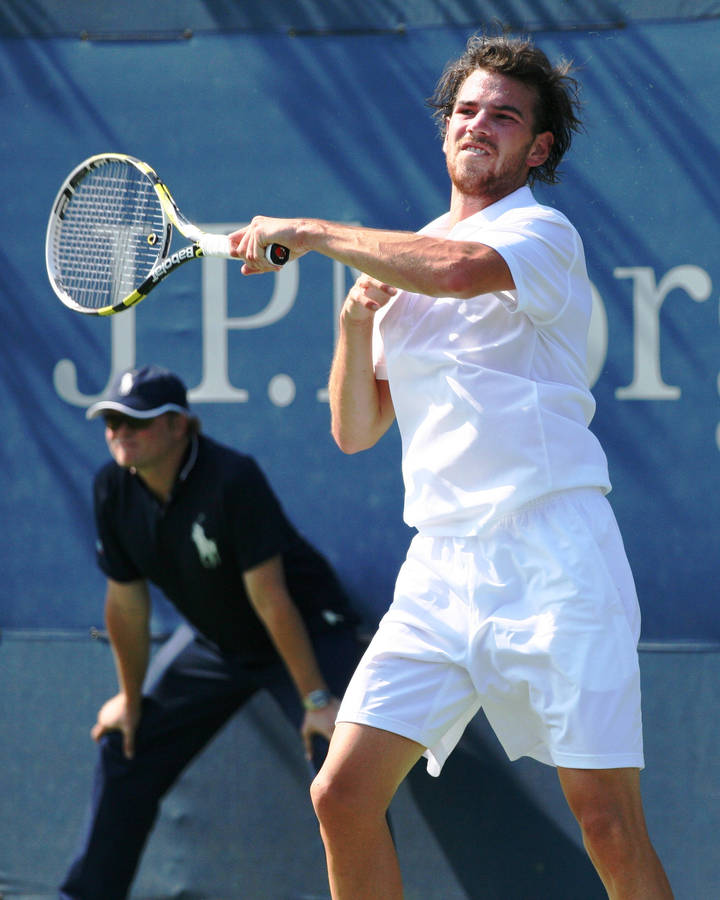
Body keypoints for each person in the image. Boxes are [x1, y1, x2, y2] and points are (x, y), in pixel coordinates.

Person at [227, 31, 673, 900]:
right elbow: (357, 431)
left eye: (505, 116)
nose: (480, 125)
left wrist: (312, 233)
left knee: (609, 826)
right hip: (439, 568)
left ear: (537, 149)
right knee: (343, 794)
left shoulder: (542, 234)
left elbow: (465, 272)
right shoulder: (407, 256)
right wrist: (355, 327)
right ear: (445, 132)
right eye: (466, 110)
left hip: (555, 557)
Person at [59, 364, 362, 900]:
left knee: (339, 765)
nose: (120, 433)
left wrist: (317, 699)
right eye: (111, 422)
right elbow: (126, 606)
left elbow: (271, 600)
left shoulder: (231, 477)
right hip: (219, 644)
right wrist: (131, 700)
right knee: (128, 744)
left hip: (306, 632)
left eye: (137, 422)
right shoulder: (111, 486)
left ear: (180, 425)